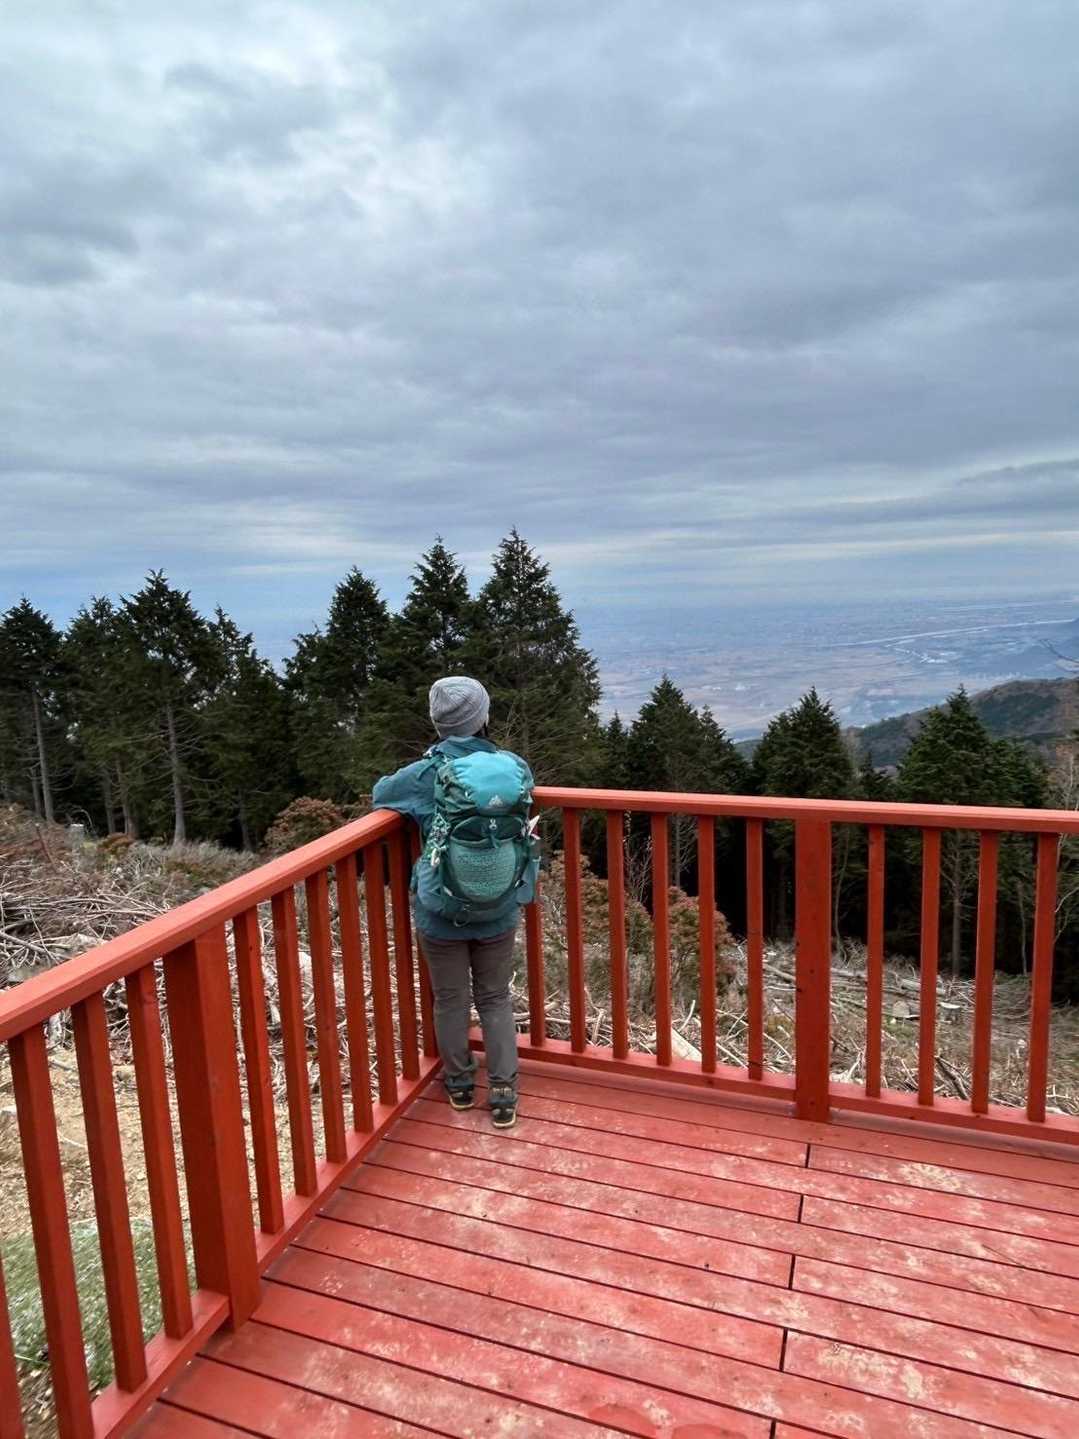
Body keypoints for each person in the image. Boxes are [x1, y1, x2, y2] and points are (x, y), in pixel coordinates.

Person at [371, 676, 536, 1129]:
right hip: (499, 905)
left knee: (450, 999)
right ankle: (503, 1093)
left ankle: (460, 1085)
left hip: (441, 911)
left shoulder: (425, 774)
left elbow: (380, 794)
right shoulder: (513, 767)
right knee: (495, 998)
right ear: (484, 717)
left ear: (438, 723)